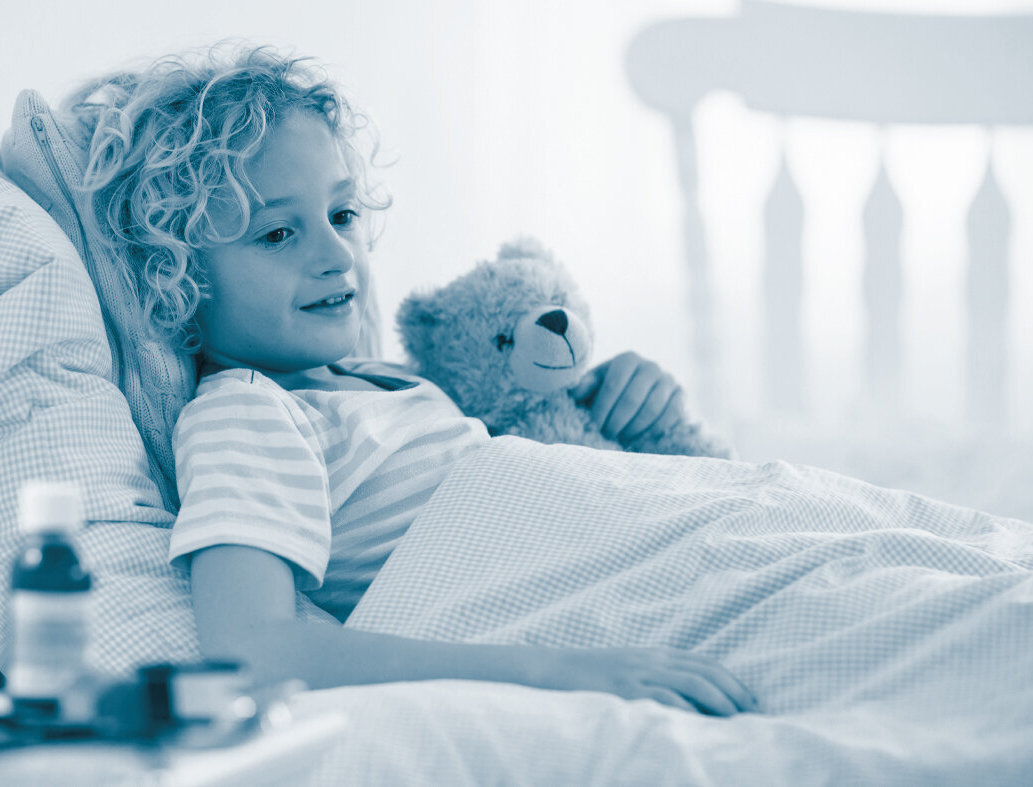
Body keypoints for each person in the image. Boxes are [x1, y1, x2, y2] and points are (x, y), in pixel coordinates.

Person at [69, 43, 759, 717]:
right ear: (180, 279)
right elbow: (254, 652)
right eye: (278, 233)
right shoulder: (247, 414)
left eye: (342, 215)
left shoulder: (388, 382)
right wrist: (557, 672)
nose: (337, 253)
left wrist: (623, 405)